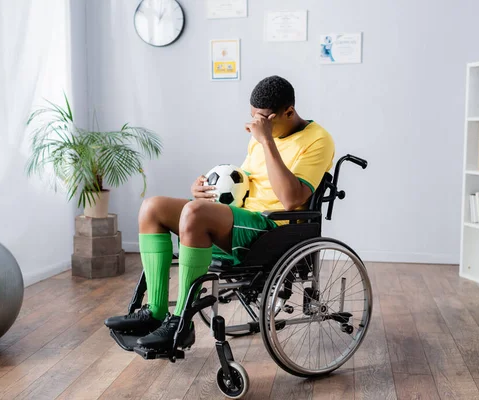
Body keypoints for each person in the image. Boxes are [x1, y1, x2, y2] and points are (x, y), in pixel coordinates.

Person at [105, 75, 335, 351]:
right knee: (152, 207)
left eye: (263, 119)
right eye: (253, 117)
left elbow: (290, 198)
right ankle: (154, 311)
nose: (255, 125)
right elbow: (244, 183)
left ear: (288, 112)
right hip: (241, 218)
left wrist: (266, 142)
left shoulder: (318, 139)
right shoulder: (261, 136)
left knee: (195, 213)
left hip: (273, 228)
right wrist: (203, 192)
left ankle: (181, 323)